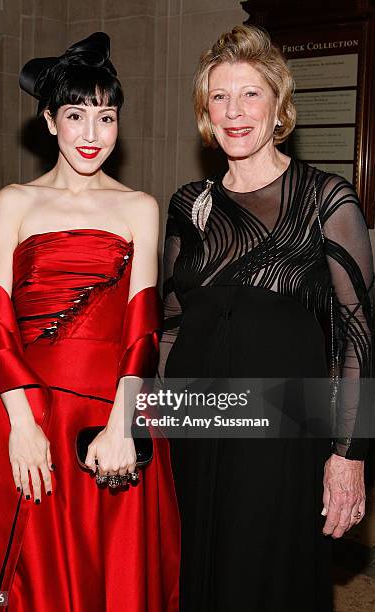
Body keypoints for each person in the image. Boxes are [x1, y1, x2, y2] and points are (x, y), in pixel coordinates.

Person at [0, 32, 180, 612]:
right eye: (76, 116)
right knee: (16, 574)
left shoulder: (140, 207)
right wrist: (22, 423)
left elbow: (142, 330)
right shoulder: (16, 202)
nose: (91, 134)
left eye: (106, 117)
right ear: (50, 121)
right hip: (23, 406)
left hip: (113, 410)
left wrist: (123, 426)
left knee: (112, 567)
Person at [159, 25, 373, 612]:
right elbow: (172, 323)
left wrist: (349, 457)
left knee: (264, 573)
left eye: (250, 94)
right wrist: (148, 424)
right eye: (219, 97)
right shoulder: (189, 204)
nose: (234, 112)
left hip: (283, 426)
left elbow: (357, 335)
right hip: (195, 422)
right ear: (205, 110)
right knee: (200, 567)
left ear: (279, 106)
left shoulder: (327, 198)